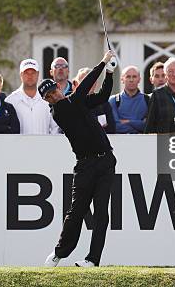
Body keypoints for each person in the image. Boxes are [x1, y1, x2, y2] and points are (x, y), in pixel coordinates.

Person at [40, 50, 117, 268]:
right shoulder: (60, 110)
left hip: (106, 161)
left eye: (53, 91)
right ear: (48, 100)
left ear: (57, 88)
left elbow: (102, 96)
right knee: (76, 211)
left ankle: (93, 260)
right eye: (49, 96)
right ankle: (59, 253)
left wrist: (110, 74)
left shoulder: (77, 101)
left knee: (102, 213)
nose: (54, 96)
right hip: (84, 165)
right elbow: (83, 88)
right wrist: (102, 63)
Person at [5, 58, 60, 134]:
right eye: (26, 73)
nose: (30, 76)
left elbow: (55, 128)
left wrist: (49, 144)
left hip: (44, 145)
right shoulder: (10, 100)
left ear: (38, 74)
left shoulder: (49, 99)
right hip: (18, 145)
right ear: (21, 75)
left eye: (33, 73)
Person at [74, 67, 116, 134]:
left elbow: (112, 129)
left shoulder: (104, 103)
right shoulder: (72, 103)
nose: (89, 84)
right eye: (84, 81)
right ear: (77, 83)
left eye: (92, 81)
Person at [109, 65, 148, 134]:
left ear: (139, 79)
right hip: (120, 142)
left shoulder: (147, 100)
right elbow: (115, 126)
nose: (131, 80)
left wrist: (128, 121)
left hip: (142, 142)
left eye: (134, 77)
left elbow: (148, 126)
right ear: (122, 79)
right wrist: (139, 125)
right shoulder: (114, 100)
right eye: (128, 76)